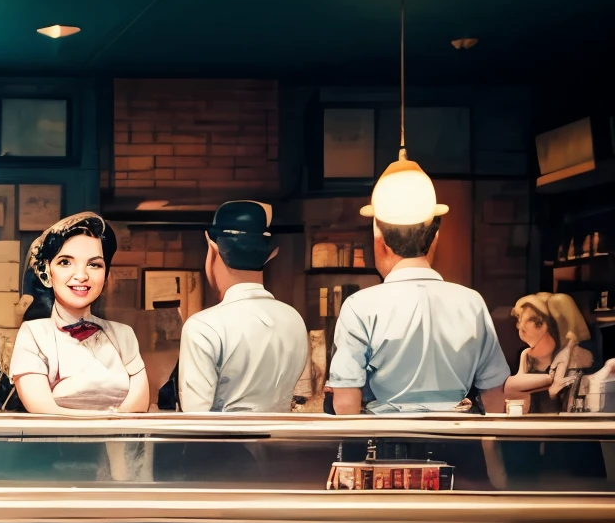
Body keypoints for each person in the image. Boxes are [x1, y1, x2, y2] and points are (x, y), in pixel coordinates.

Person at [325, 165, 507, 414]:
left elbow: (346, 402)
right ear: (436, 236)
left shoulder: (360, 306)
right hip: (462, 443)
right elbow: (495, 397)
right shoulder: (472, 302)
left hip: (386, 445)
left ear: (379, 238)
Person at [8, 213, 149, 413]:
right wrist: (107, 421)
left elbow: (139, 405)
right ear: (45, 272)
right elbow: (43, 410)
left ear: (106, 275)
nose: (82, 276)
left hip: (116, 443)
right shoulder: (34, 334)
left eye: (94, 264)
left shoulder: (123, 335)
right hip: (54, 443)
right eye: (65, 262)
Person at [176, 201, 309, 413]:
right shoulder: (294, 319)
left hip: (224, 445)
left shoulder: (202, 326)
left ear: (212, 249)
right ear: (270, 255)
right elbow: (301, 395)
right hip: (280, 443)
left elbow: (196, 416)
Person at [506, 291, 594, 413]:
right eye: (520, 321)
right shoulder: (526, 355)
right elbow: (515, 388)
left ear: (544, 324)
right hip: (533, 416)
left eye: (529, 321)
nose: (520, 328)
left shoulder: (570, 355)